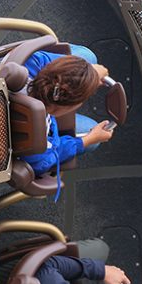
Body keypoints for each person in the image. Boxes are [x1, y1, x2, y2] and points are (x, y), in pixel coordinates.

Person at [19, 45, 116, 182]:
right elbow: (42, 162)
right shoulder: (38, 138)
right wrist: (87, 140)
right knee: (91, 132)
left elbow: (51, 65)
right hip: (16, 135)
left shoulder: (30, 64)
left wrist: (90, 74)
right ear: (60, 110)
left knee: (87, 57)